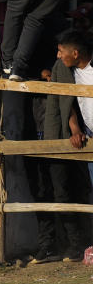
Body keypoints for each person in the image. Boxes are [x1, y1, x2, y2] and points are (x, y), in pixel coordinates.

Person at [41, 29, 93, 262]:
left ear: (75, 52)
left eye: (62, 52)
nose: (58, 55)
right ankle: (81, 245)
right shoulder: (66, 70)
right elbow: (67, 102)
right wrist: (75, 128)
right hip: (87, 136)